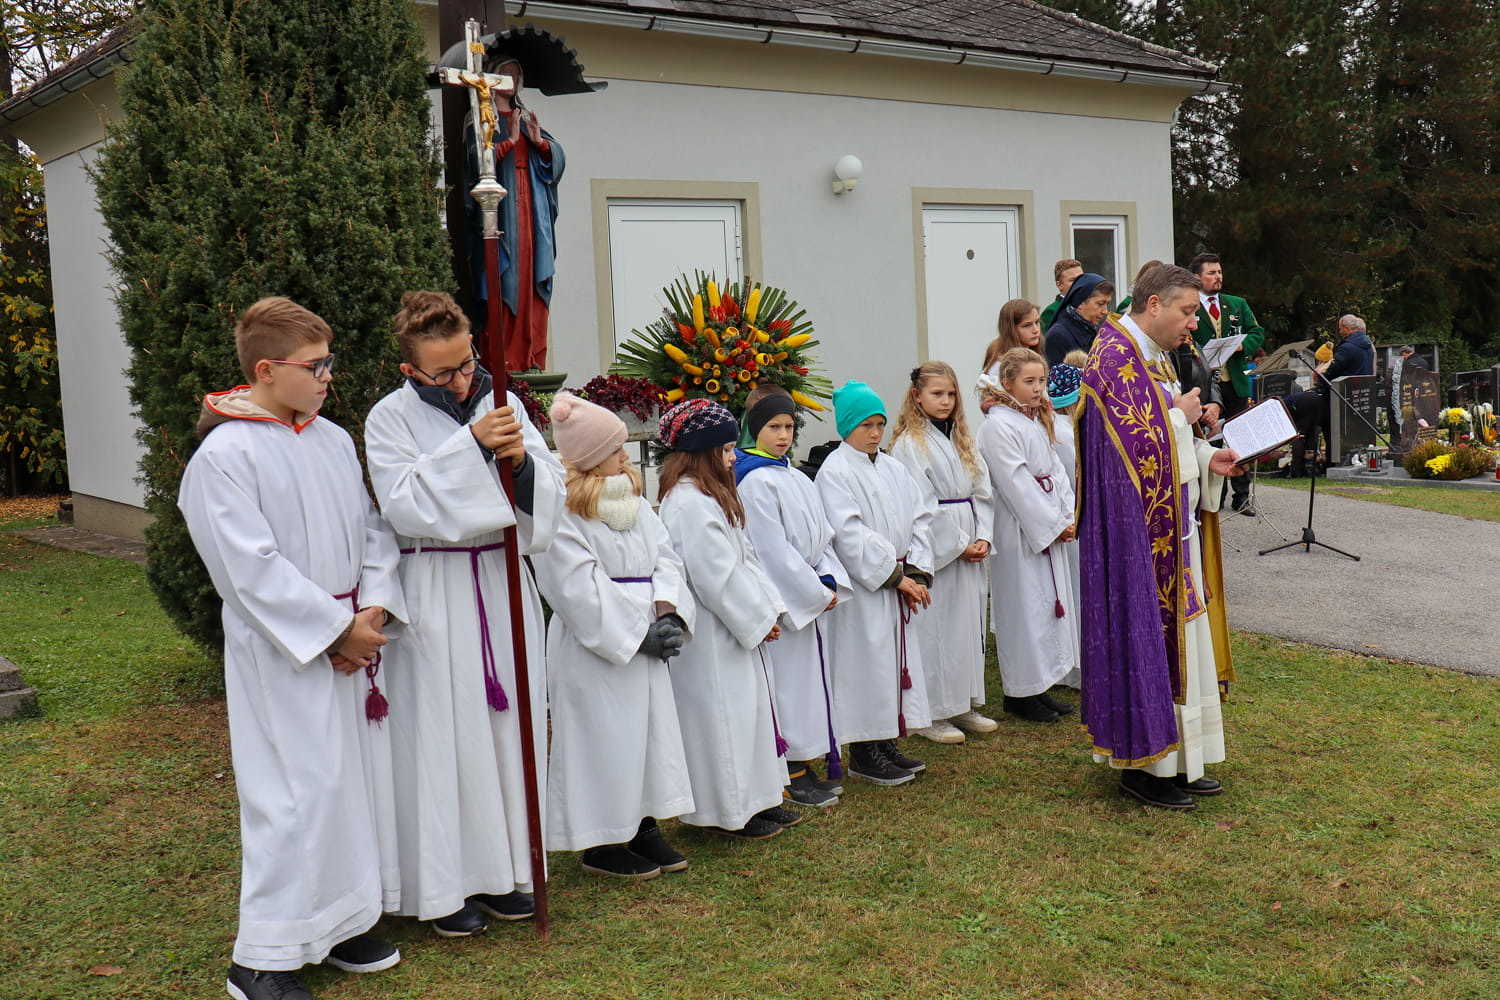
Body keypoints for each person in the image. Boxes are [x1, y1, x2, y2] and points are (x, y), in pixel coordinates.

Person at [179, 297, 407, 1000]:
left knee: (347, 785)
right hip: (282, 650)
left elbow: (371, 529)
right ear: (266, 370)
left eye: (329, 363)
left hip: (349, 633)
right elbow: (248, 567)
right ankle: (262, 958)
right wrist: (334, 630)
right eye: (316, 366)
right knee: (290, 794)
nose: (328, 377)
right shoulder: (225, 456)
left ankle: (342, 922)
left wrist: (372, 609)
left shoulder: (332, 439)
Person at [363, 291, 563, 937]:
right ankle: (445, 888)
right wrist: (471, 446)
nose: (460, 380)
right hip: (436, 588)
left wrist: (522, 465)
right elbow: (403, 504)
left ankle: (506, 872)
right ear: (410, 370)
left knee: (507, 732)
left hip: (500, 583)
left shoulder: (502, 401)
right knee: (444, 737)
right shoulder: (388, 419)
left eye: (467, 363)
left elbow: (551, 487)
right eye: (443, 372)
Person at [1076, 264, 1243, 810]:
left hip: (1171, 529)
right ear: (1154, 305)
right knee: (1148, 636)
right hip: (1137, 538)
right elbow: (1135, 451)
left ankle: (1183, 760)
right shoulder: (1114, 358)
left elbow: (1165, 444)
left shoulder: (1152, 354)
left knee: (1183, 638)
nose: (1193, 323)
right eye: (1187, 312)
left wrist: (1206, 457)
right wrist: (1179, 415)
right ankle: (1146, 767)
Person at [533, 392, 698, 878]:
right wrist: (635, 634)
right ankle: (602, 840)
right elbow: (574, 584)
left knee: (648, 734)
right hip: (598, 645)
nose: (625, 455)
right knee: (603, 738)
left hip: (649, 632)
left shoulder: (637, 504)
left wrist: (669, 614)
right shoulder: (564, 511)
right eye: (614, 449)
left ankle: (644, 824)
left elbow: (666, 558)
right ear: (589, 456)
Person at [656, 399, 801, 840]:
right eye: (724, 450)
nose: (734, 456)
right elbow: (715, 576)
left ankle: (760, 798)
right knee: (722, 720)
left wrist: (769, 607)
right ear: (701, 454)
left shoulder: (710, 497)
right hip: (713, 633)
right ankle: (729, 811)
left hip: (735, 626)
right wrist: (756, 619)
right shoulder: (688, 504)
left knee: (747, 715)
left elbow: (746, 557)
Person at [735, 386, 852, 808]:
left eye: (788, 426)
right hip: (786, 604)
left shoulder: (796, 476)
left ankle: (805, 758)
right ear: (755, 429)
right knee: (786, 686)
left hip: (811, 591)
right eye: (773, 427)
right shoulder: (754, 480)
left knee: (807, 685)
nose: (783, 435)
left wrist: (830, 580)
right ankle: (788, 768)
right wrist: (812, 591)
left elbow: (823, 535)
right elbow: (772, 550)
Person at [817, 381, 937, 785]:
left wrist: (916, 570)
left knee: (893, 664)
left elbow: (921, 516)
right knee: (866, 665)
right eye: (865, 425)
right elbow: (848, 534)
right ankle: (864, 750)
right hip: (868, 588)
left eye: (880, 424)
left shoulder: (891, 467)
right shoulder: (835, 472)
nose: (874, 433)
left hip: (900, 579)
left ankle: (886, 739)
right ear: (846, 426)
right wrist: (895, 576)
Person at [889, 362, 997, 743]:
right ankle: (933, 710)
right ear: (916, 396)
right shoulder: (909, 444)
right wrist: (957, 543)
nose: (946, 401)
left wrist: (983, 535)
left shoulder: (961, 438)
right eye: (937, 394)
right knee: (938, 626)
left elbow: (983, 490)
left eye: (951, 394)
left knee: (967, 624)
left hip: (969, 533)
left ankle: (963, 701)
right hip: (938, 545)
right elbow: (920, 504)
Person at [977, 349, 1079, 723]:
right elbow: (1016, 482)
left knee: (1046, 605)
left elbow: (1056, 471)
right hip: (1018, 529)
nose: (1038, 389)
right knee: (1023, 607)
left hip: (1046, 521)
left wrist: (1067, 514)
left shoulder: (1032, 420)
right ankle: (1019, 690)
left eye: (1041, 381)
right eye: (1029, 382)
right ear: (1007, 383)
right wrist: (1052, 524)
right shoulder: (997, 427)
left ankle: (1041, 684)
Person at [464, 56, 564, 372]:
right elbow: (477, 160)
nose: (512, 79)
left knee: (532, 278)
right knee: (505, 279)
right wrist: (508, 141)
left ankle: (532, 355)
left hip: (531, 211)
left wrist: (539, 143)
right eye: (506, 73)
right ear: (493, 79)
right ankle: (505, 359)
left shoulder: (525, 117)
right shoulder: (481, 120)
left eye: (516, 74)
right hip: (502, 211)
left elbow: (556, 159)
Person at [1188, 253, 1265, 511]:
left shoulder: (1236, 303)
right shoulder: (1189, 305)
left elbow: (1257, 331)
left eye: (1219, 272)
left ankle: (1242, 495)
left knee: (1240, 437)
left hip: (1235, 382)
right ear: (1197, 277)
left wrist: (1243, 345)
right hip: (1206, 384)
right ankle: (1213, 496)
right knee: (1211, 437)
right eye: (1211, 273)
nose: (1218, 277)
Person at [1284, 314, 1375, 476]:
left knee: (1298, 414)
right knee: (1323, 425)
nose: (1339, 332)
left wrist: (1320, 374)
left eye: (1340, 328)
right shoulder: (1368, 346)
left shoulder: (1348, 347)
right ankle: (1326, 462)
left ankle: (1299, 467)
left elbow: (1331, 372)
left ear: (1347, 328)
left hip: (1334, 396)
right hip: (1354, 394)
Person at [1048, 359, 1085, 689]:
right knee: (1074, 593)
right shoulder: (1065, 433)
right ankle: (1075, 667)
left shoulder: (1059, 428)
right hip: (1073, 519)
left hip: (1071, 518)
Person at [1044, 273, 1114, 366]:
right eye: (1100, 304)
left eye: (1107, 304)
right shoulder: (1057, 336)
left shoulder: (1096, 329)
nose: (1105, 311)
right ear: (1080, 302)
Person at [982, 298, 1044, 374]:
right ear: (1011, 329)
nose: (1036, 330)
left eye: (1037, 322)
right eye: (1027, 325)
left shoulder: (1038, 350)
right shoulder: (1001, 366)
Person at [1039, 259, 1084, 333]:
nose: (1079, 283)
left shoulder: (1090, 305)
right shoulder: (1051, 311)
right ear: (1059, 285)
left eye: (1081, 278)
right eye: (1073, 280)